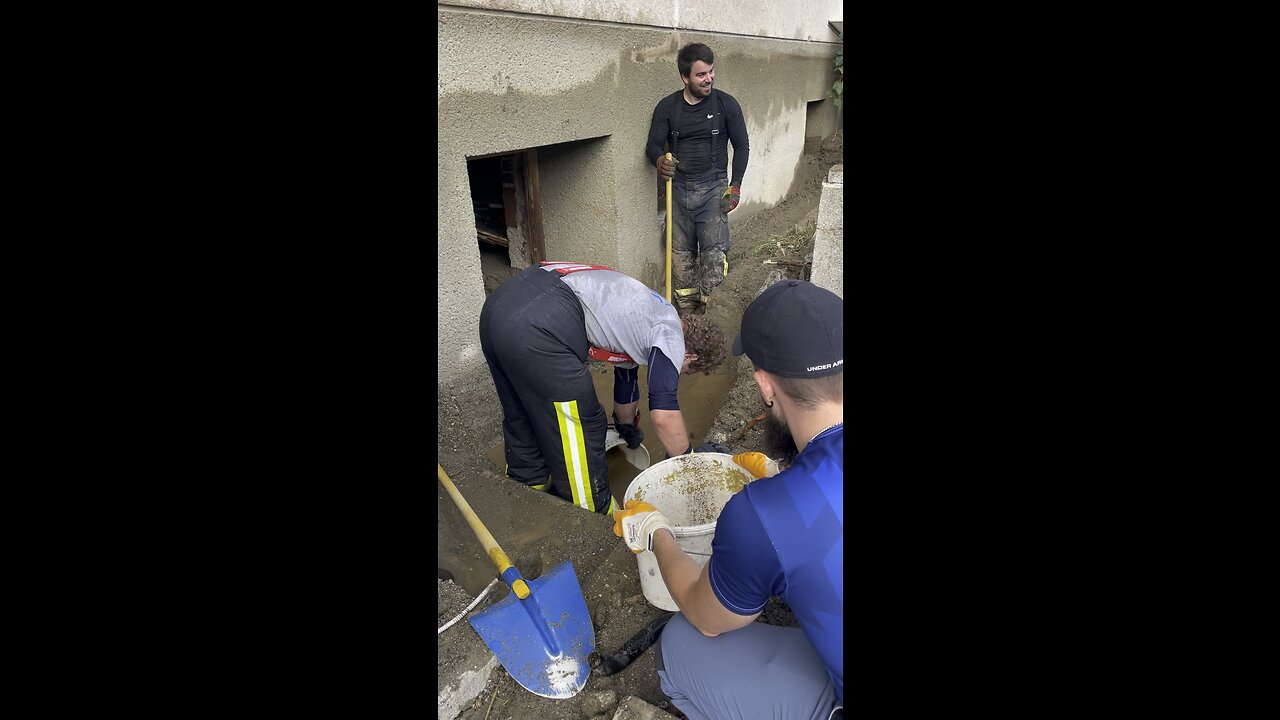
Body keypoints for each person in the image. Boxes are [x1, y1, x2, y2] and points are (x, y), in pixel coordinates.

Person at [613, 279, 844, 719]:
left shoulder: (764, 513)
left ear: (764, 385)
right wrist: (786, 475)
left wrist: (656, 530)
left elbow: (706, 617)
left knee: (681, 643)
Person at [479, 261, 729, 515]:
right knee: (583, 423)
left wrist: (627, 427)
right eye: (684, 371)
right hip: (540, 324)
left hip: (501, 307)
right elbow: (664, 416)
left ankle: (528, 487)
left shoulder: (648, 317)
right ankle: (593, 512)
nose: (678, 371)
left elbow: (626, 387)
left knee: (523, 410)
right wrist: (688, 463)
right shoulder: (671, 336)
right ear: (692, 357)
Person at [645, 42, 750, 314]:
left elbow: (742, 145)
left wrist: (735, 185)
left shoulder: (726, 105)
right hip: (678, 191)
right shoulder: (667, 108)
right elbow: (653, 146)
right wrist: (658, 161)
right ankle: (687, 316)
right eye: (701, 75)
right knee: (680, 257)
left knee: (714, 255)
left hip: (714, 190)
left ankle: (712, 314)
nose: (709, 79)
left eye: (711, 72)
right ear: (684, 77)